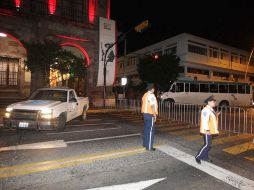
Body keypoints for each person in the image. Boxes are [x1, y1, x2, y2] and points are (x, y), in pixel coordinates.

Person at [195, 95, 220, 164]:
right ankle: (198, 156)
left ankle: (205, 157)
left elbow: (212, 120)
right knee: (207, 145)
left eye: (214, 102)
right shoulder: (205, 110)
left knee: (208, 145)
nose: (214, 103)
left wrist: (216, 115)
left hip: (210, 130)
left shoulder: (210, 110)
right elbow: (205, 121)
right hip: (207, 131)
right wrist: (207, 130)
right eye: (213, 102)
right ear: (209, 102)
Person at [141, 83, 158, 151]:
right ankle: (149, 147)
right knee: (151, 130)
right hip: (150, 114)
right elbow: (152, 105)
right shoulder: (151, 95)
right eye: (154, 88)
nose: (154, 89)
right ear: (152, 89)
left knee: (146, 129)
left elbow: (143, 103)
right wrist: (154, 114)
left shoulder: (145, 95)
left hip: (145, 114)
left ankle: (145, 144)